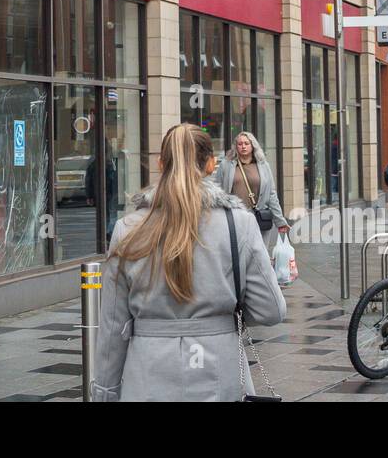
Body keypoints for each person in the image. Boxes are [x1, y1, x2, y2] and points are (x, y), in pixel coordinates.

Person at [92, 123, 286, 402]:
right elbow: (271, 310)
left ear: (160, 163)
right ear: (211, 165)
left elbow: (112, 328)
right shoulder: (239, 224)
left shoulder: (128, 229)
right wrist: (225, 313)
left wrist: (105, 393)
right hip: (220, 370)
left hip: (147, 374)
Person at [216, 131, 290, 254]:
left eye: (246, 143)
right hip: (236, 217)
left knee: (260, 254)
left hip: (259, 217)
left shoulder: (263, 165)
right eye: (240, 144)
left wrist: (280, 221)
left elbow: (271, 194)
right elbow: (218, 192)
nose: (243, 146)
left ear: (253, 145)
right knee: (238, 254)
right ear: (236, 146)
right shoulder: (226, 165)